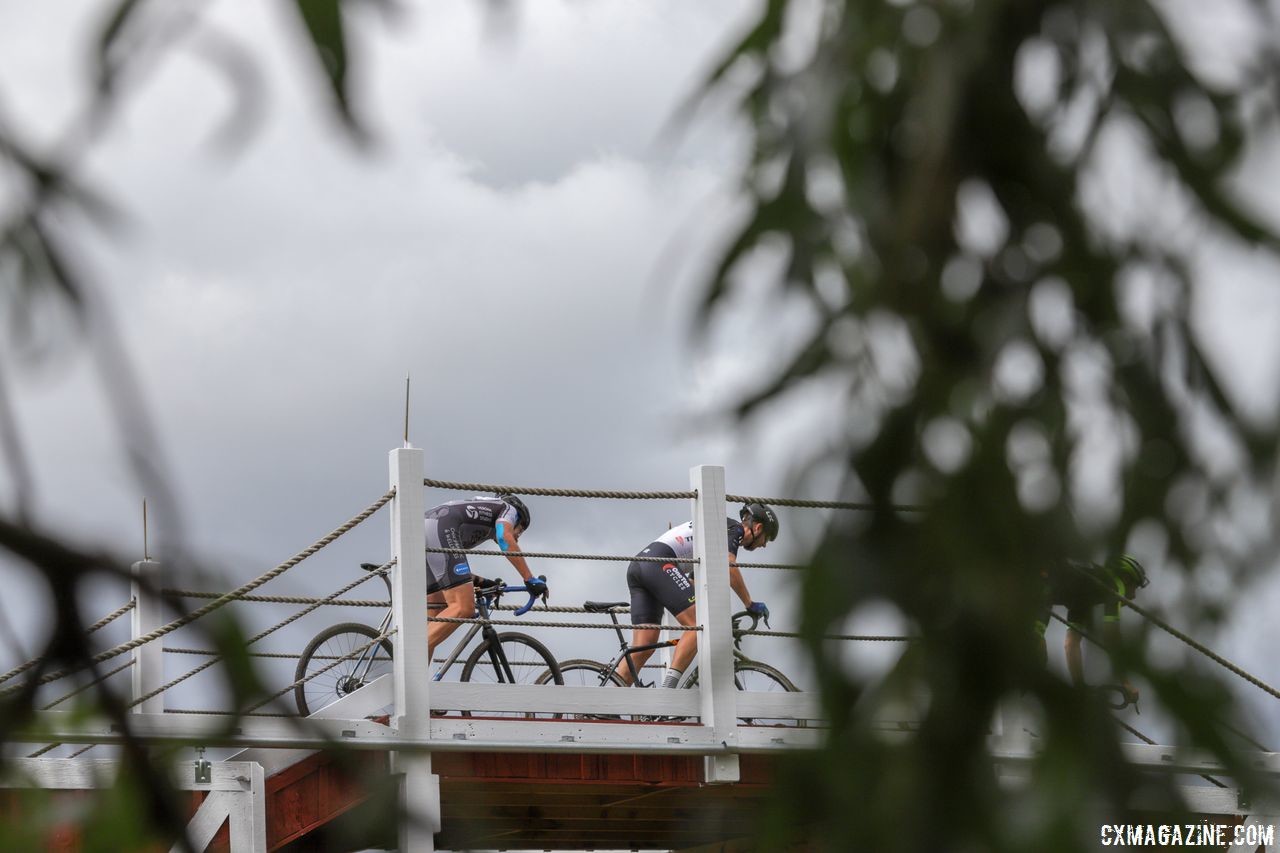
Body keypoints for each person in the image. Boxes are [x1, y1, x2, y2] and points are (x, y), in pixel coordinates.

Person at [617, 502, 777, 688]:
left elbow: (691, 585)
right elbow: (729, 567)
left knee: (645, 646)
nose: (764, 545)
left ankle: (605, 706)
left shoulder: (719, 533)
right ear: (758, 528)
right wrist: (750, 604)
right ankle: (668, 691)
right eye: (767, 538)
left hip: (640, 566)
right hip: (659, 563)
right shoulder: (734, 529)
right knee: (697, 624)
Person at [423, 494, 547, 651]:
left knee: (435, 618)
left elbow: (450, 570)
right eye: (520, 530)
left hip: (429, 526)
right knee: (463, 607)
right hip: (441, 526)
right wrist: (530, 579)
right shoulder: (508, 509)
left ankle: (412, 674)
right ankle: (412, 652)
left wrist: (483, 582)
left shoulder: (480, 522)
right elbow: (504, 538)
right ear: (517, 520)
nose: (518, 537)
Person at [1036, 554, 1148, 698]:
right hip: (1042, 578)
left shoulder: (1085, 597)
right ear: (1125, 579)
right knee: (1036, 649)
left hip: (1041, 588)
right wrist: (1126, 683)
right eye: (1134, 587)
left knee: (1037, 650)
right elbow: (1112, 639)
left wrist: (1080, 688)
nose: (1133, 596)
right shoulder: (1115, 586)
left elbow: (1071, 645)